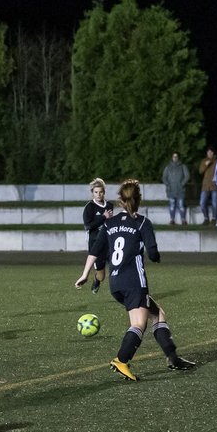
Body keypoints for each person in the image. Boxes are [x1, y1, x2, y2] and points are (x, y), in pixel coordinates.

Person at [73, 179, 196, 380]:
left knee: (157, 314)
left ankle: (173, 358)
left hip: (115, 283)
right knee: (139, 323)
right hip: (134, 282)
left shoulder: (110, 223)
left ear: (120, 200)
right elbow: (153, 253)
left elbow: (95, 250)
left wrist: (85, 275)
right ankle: (121, 360)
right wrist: (155, 257)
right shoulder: (141, 222)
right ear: (138, 200)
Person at [80, 178, 113, 294]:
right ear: (92, 193)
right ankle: (96, 279)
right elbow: (88, 226)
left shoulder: (109, 205)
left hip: (109, 242)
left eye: (101, 192)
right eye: (96, 192)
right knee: (101, 275)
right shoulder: (89, 207)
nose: (99, 195)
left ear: (104, 192)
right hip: (95, 243)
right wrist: (103, 217)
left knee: (116, 265)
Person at [162, 152, 189, 225]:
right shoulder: (168, 167)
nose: (175, 158)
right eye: (174, 156)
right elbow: (164, 177)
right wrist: (168, 185)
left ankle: (183, 220)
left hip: (180, 190)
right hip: (171, 190)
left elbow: (187, 176)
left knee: (181, 206)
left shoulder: (183, 166)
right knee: (172, 206)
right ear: (172, 157)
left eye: (176, 156)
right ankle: (172, 220)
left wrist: (182, 184)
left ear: (178, 157)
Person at [198, 147, 217, 225]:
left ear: (213, 153)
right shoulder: (204, 161)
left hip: (214, 185)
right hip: (205, 186)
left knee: (215, 203)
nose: (210, 154)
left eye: (211, 152)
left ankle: (214, 218)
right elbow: (200, 171)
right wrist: (206, 165)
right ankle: (206, 218)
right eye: (208, 152)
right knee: (202, 203)